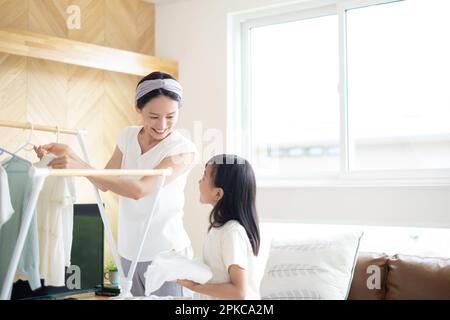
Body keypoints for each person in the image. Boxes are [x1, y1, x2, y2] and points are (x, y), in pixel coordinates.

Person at [34, 71, 198, 297]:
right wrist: (70, 156)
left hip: (168, 255)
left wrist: (79, 165)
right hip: (129, 253)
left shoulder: (183, 149)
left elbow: (140, 190)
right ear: (138, 109)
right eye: (153, 116)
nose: (162, 125)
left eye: (171, 116)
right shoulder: (128, 136)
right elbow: (105, 181)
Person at [177, 154, 261, 299]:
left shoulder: (232, 233)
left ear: (218, 193)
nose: (199, 181)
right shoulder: (219, 229)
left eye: (204, 177)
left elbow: (239, 292)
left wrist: (194, 286)